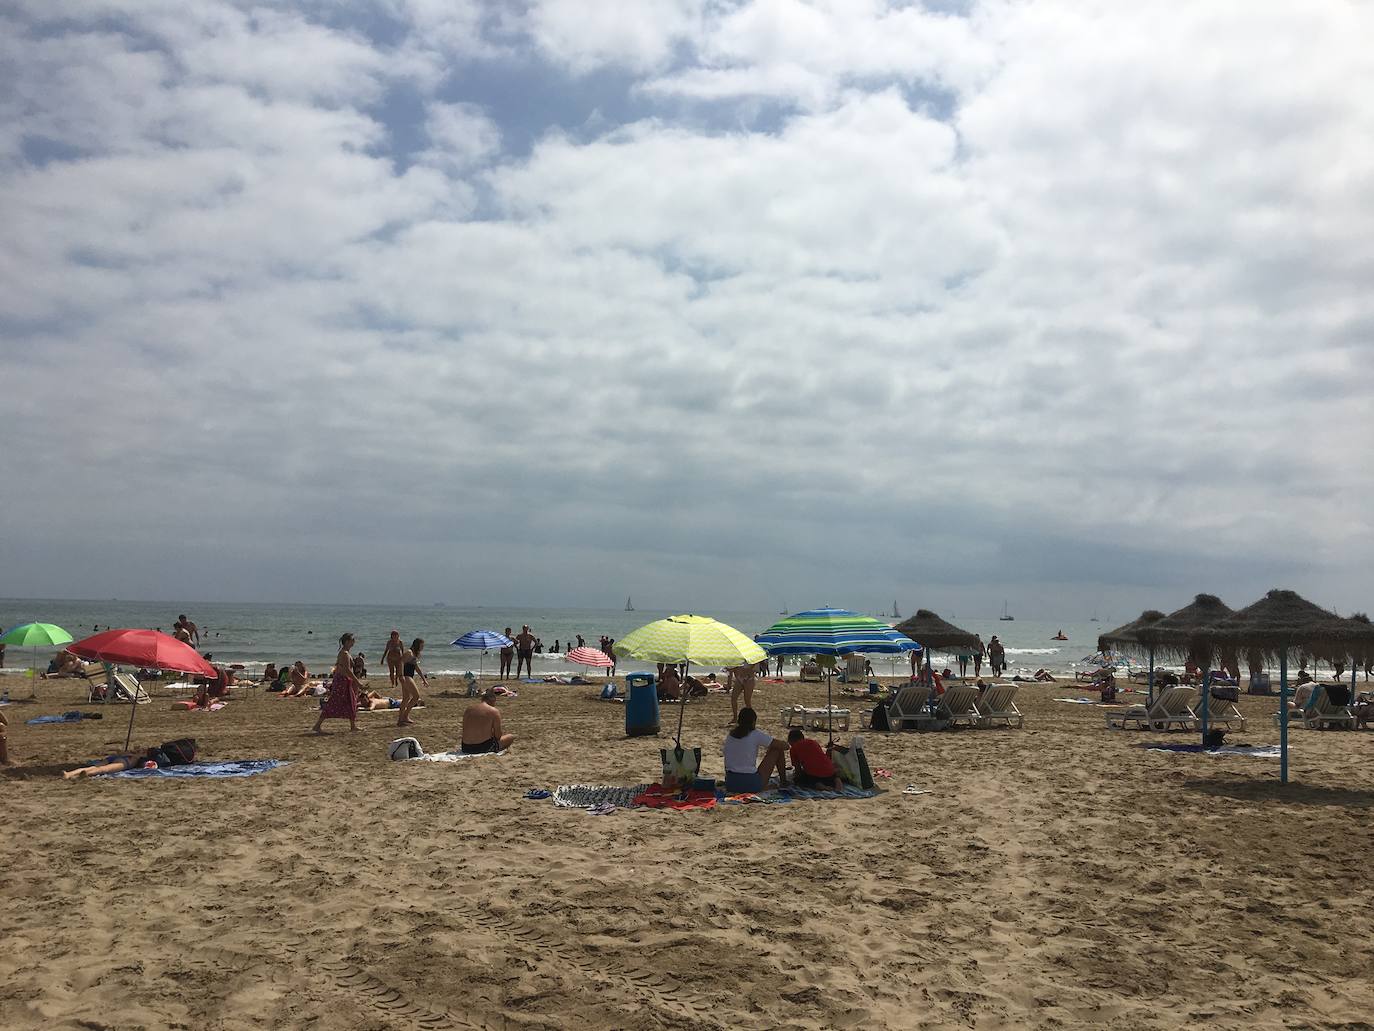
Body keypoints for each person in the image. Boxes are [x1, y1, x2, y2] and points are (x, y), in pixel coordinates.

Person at [722, 708, 788, 792]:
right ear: (753, 721)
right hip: (751, 782)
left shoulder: (731, 735)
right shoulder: (755, 734)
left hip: (731, 783)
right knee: (777, 750)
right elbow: (784, 746)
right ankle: (783, 781)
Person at [312, 633, 364, 734]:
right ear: (348, 641)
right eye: (352, 640)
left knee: (351, 701)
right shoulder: (344, 653)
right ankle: (317, 725)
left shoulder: (346, 652)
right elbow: (347, 670)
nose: (354, 642)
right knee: (334, 701)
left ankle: (353, 726)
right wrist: (357, 682)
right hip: (342, 681)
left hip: (344, 680)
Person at [63, 740, 196, 779]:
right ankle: (84, 774)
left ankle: (70, 773)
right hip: (125, 761)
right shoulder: (146, 758)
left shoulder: (147, 752)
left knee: (97, 766)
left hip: (119, 756)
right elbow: (148, 765)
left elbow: (121, 752)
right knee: (102, 769)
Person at [461, 686, 516, 753]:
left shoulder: (468, 709)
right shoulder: (493, 711)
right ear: (493, 701)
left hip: (465, 747)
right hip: (482, 747)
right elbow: (498, 736)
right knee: (511, 737)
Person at [397, 638, 427, 727]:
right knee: (416, 696)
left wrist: (424, 679)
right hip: (406, 676)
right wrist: (401, 675)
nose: (422, 647)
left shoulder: (414, 654)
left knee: (406, 698)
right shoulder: (409, 653)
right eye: (421, 645)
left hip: (409, 676)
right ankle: (405, 716)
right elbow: (401, 662)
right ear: (417, 645)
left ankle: (401, 720)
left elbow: (417, 668)